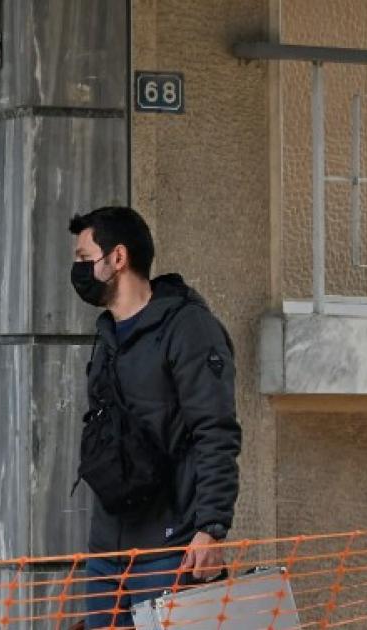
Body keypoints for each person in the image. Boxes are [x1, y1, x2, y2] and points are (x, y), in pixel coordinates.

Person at [68, 206, 241, 628]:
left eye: (84, 257)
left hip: (169, 548)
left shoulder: (188, 328)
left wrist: (211, 527)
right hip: (107, 551)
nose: (78, 270)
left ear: (118, 258)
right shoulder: (107, 334)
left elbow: (215, 433)